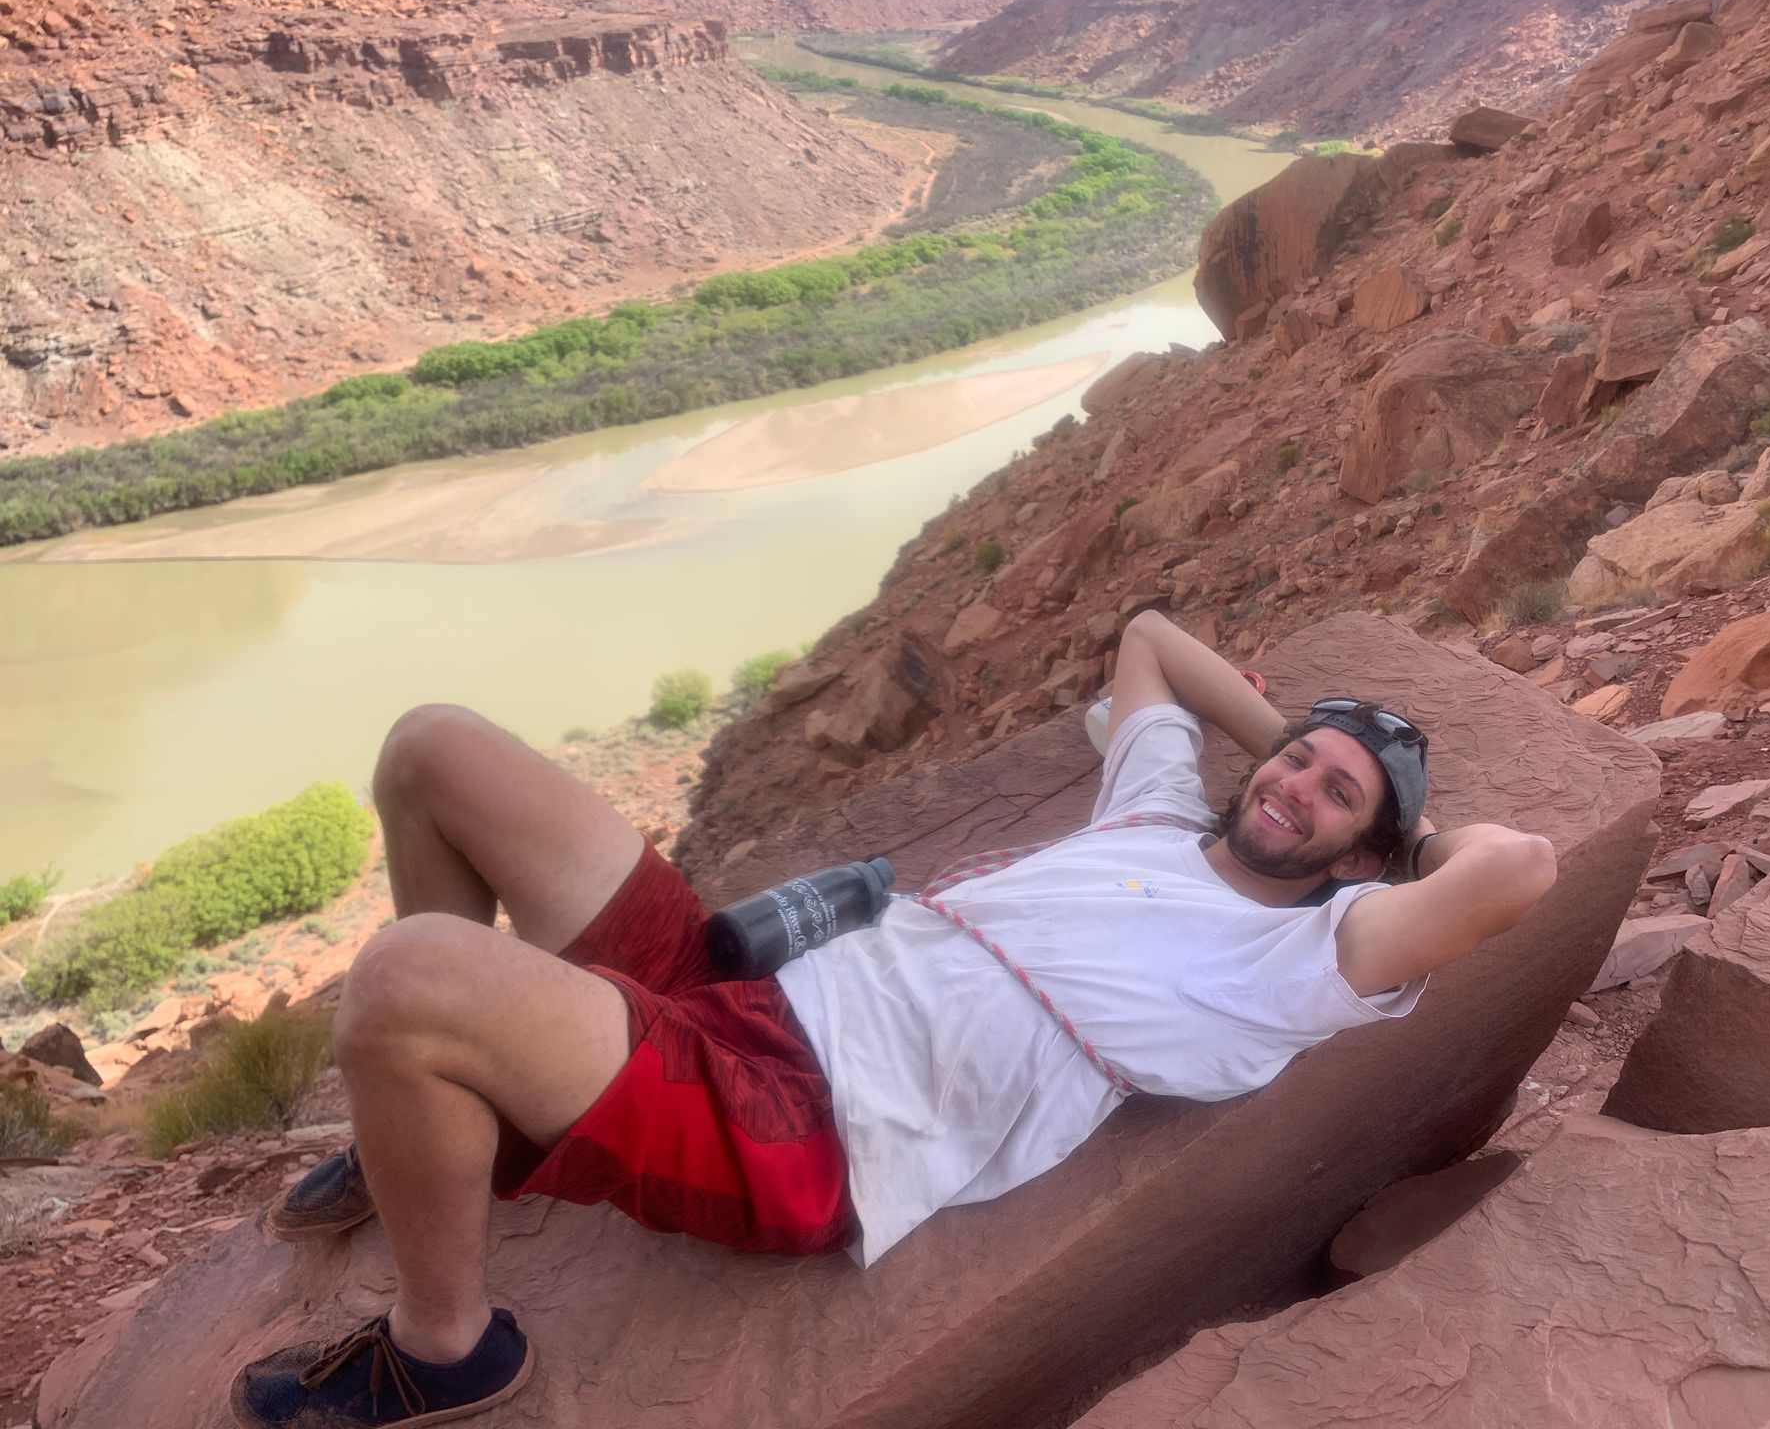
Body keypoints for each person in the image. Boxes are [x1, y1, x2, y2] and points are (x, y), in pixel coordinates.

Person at [230, 610, 1557, 1428]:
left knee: (410, 977)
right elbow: (1148, 636)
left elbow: (1522, 870)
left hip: (807, 1126)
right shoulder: (1155, 805)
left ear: (1363, 864)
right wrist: (1312, 745)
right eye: (1294, 765)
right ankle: (449, 1126)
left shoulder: (1309, 956)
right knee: (432, 746)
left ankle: (444, 1347)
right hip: (744, 987)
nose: (1294, 789)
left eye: (1335, 801)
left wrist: (1406, 826)